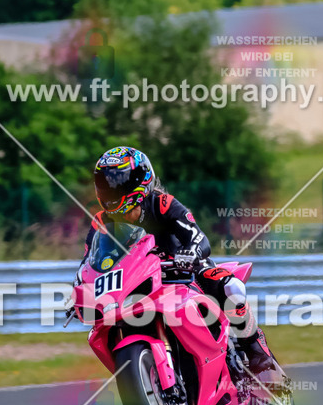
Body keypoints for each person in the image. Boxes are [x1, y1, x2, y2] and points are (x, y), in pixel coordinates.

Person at [80, 146, 278, 374]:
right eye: (105, 183)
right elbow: (89, 262)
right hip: (140, 283)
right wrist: (82, 288)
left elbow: (198, 237)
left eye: (116, 183)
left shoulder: (161, 204)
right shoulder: (101, 223)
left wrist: (191, 252)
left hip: (184, 272)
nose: (110, 190)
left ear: (139, 180)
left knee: (228, 286)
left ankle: (256, 351)